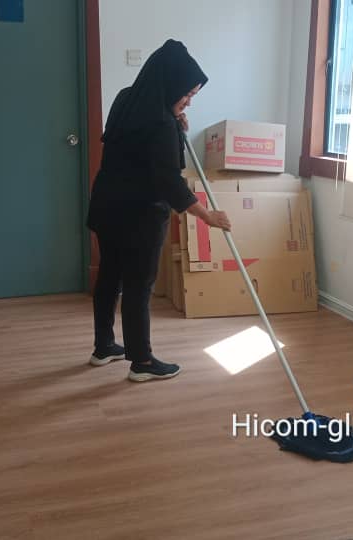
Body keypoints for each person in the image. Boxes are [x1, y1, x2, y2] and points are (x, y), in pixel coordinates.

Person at [86, 39, 231, 382]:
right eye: (187, 94)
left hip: (107, 206)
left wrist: (176, 123)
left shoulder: (126, 98)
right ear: (171, 84)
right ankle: (142, 362)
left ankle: (103, 346)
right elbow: (169, 181)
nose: (189, 101)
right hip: (140, 215)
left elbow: (137, 147)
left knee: (110, 276)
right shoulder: (162, 123)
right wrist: (207, 216)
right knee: (138, 285)